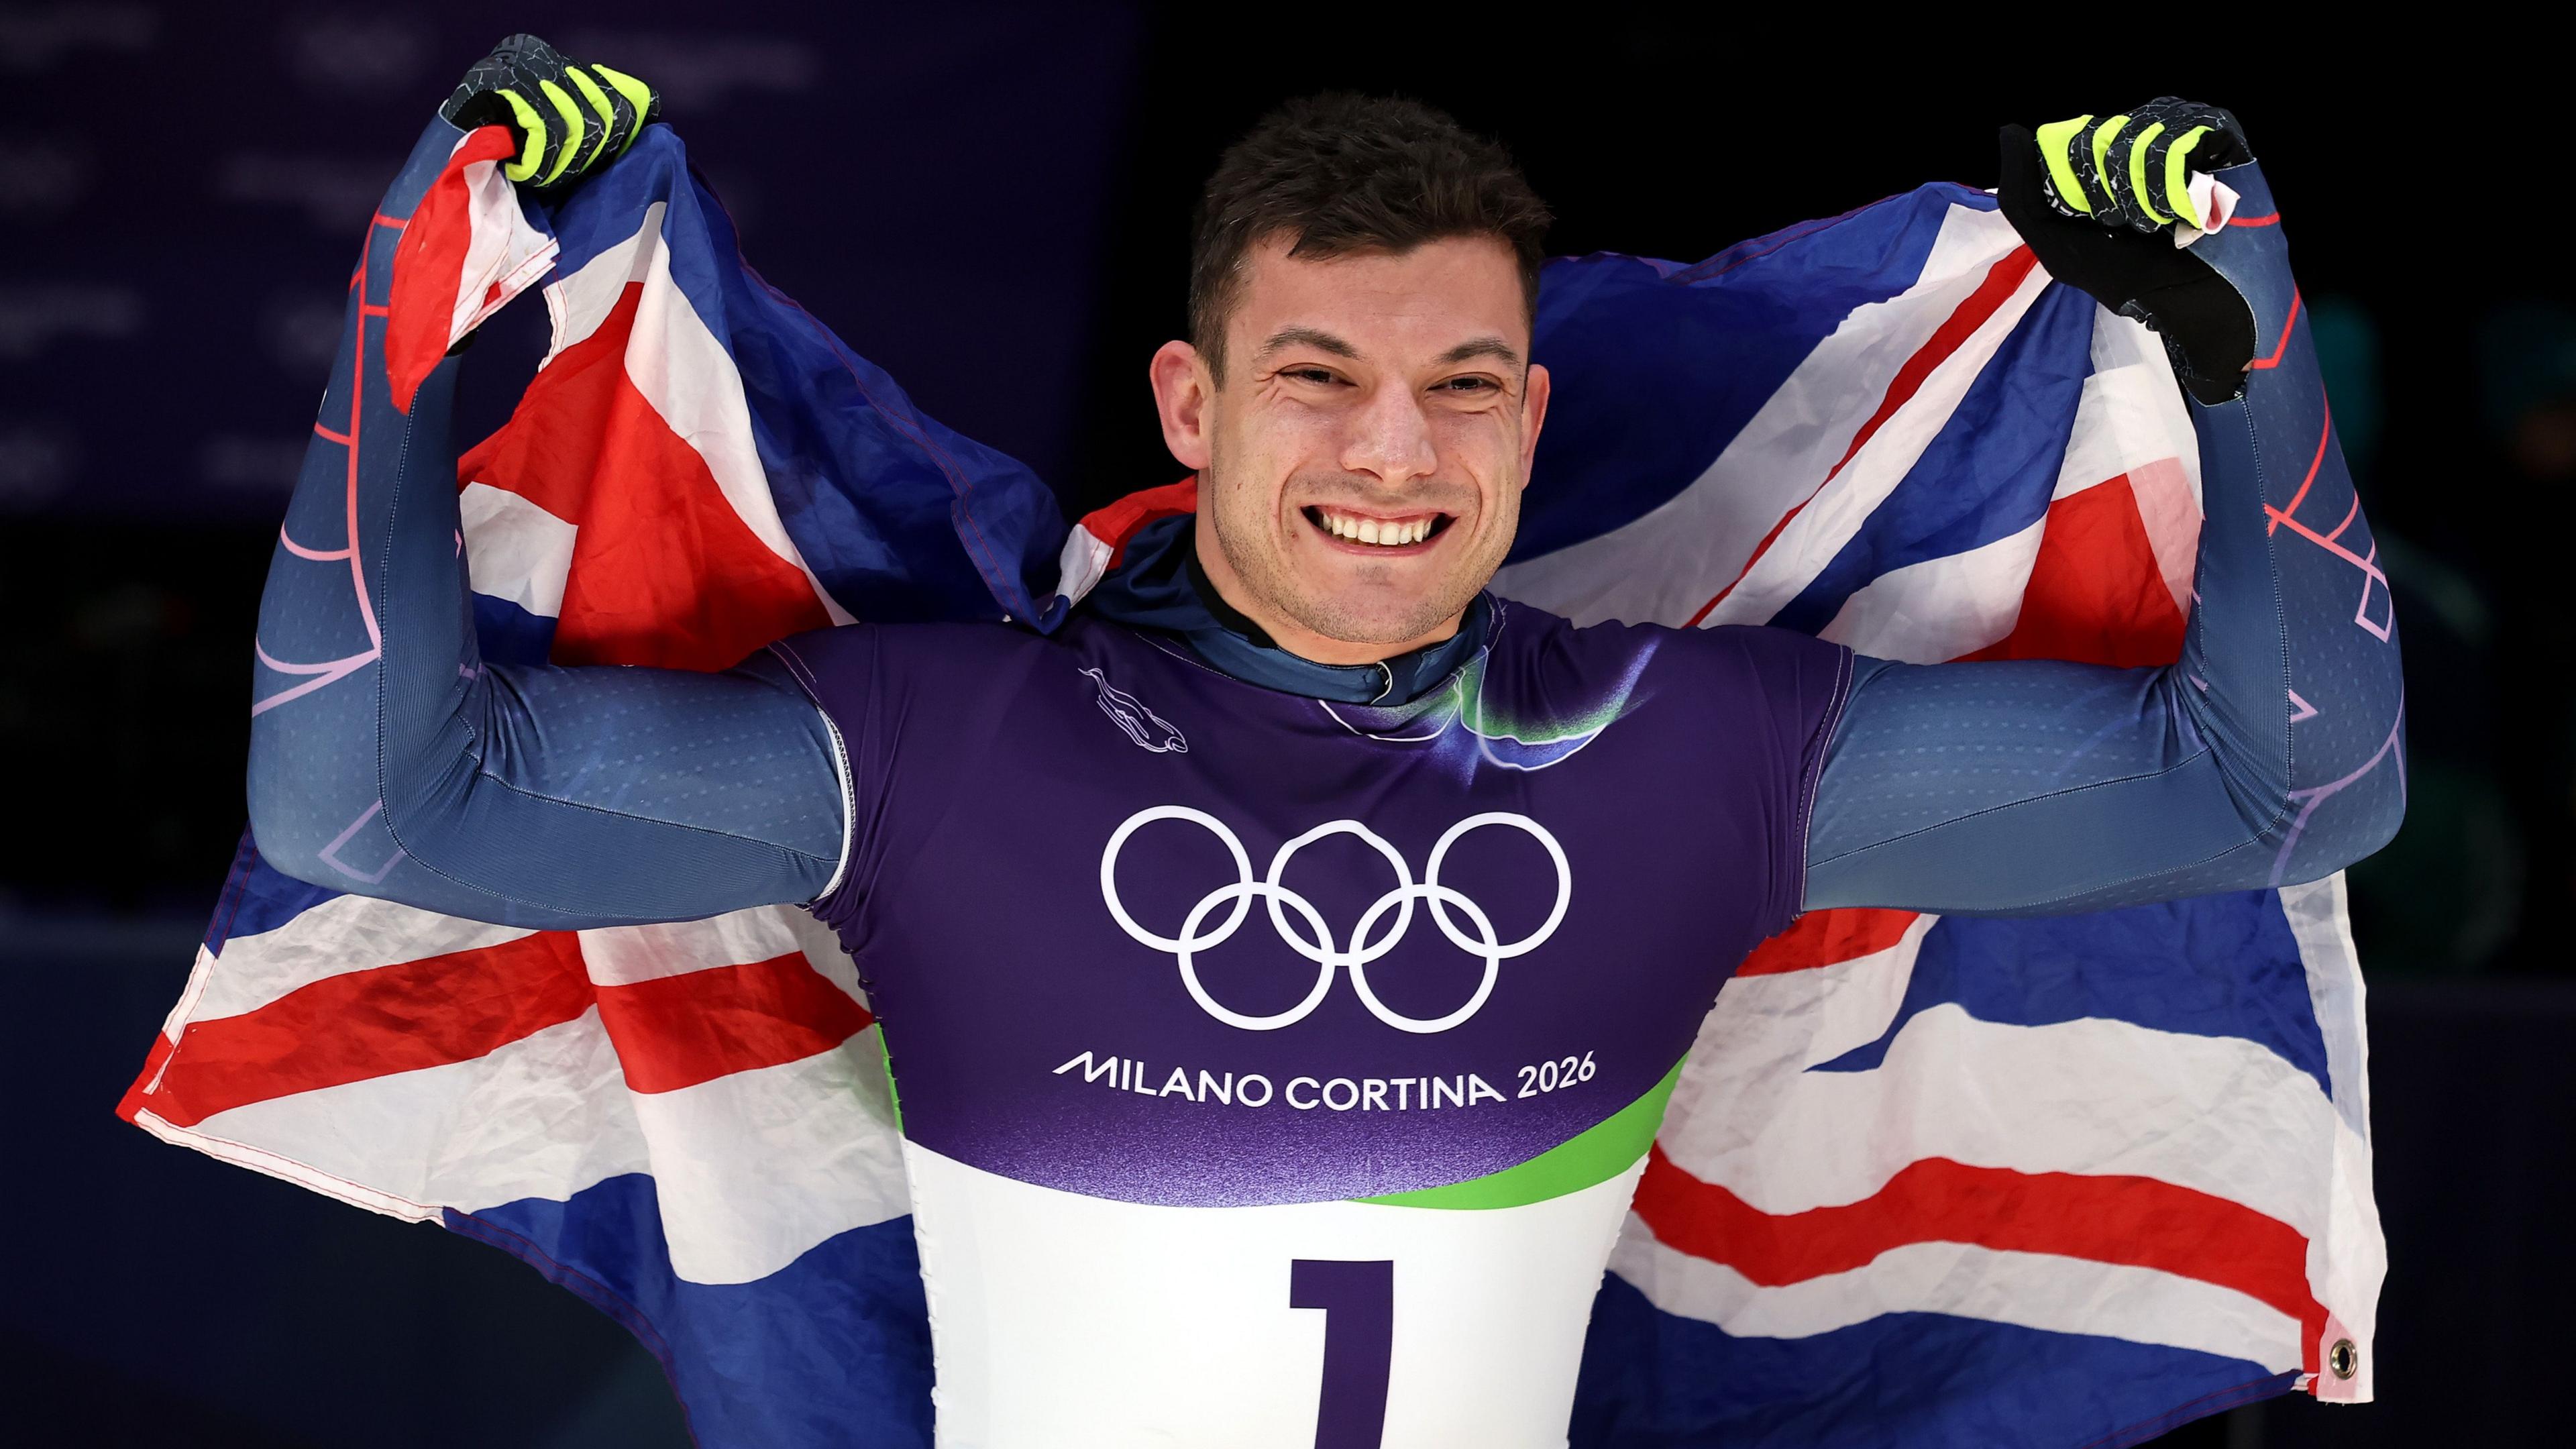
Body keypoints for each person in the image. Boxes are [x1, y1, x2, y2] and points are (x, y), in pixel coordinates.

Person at [244, 36, 2404, 1448]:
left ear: (1532, 418)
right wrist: (411, 314)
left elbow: (2294, 789)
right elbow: (367, 799)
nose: (1398, 450)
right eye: (1317, 377)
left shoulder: (1700, 756)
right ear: (1191, 410)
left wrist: (2246, 343)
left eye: (1466, 380)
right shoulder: (933, 747)